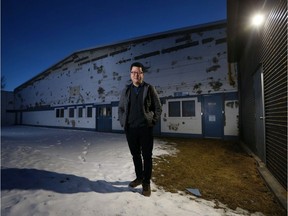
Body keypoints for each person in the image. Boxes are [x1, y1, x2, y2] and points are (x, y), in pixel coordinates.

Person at [118, 62, 162, 197]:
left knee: (147, 157)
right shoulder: (126, 90)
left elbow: (158, 108)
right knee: (135, 155)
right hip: (131, 129)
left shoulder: (149, 88)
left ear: (142, 74)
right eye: (133, 72)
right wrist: (123, 122)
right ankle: (139, 177)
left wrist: (152, 121)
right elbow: (121, 108)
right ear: (130, 74)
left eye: (139, 72)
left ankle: (146, 183)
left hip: (145, 129)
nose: (136, 75)